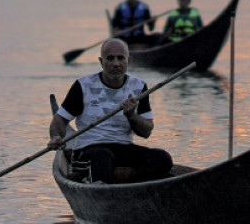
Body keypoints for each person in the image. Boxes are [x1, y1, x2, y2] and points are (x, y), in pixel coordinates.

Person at [48, 38, 173, 184]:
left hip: (124, 149)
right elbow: (60, 119)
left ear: (128, 61)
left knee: (162, 159)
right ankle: (98, 175)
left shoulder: (139, 86)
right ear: (101, 62)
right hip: (90, 149)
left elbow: (146, 132)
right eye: (110, 58)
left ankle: (119, 176)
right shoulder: (83, 85)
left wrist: (132, 116)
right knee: (102, 157)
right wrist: (56, 136)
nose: (115, 64)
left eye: (121, 58)